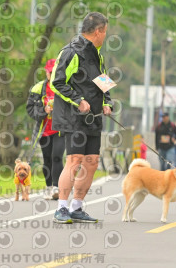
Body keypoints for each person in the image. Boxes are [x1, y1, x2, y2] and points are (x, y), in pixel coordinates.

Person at [50, 12, 113, 224]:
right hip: (73, 117)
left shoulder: (98, 56)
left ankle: (76, 207)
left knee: (92, 162)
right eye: (105, 32)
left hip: (93, 119)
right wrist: (78, 100)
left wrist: (107, 103)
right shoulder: (70, 52)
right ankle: (61, 208)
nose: (105, 36)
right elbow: (56, 82)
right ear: (98, 31)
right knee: (75, 160)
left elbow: (104, 84)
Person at [26, 58, 66, 200]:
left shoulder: (64, 87)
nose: (51, 74)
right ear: (46, 72)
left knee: (57, 157)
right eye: (49, 72)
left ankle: (57, 187)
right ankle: (49, 187)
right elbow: (30, 109)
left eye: (54, 72)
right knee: (47, 159)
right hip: (44, 130)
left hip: (60, 129)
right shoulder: (38, 89)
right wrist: (44, 111)